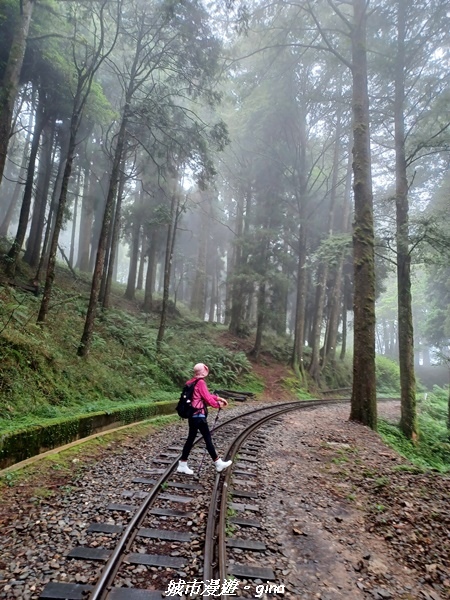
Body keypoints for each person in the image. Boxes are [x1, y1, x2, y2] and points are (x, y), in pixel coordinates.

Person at [177, 363, 232, 475]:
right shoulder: (200, 382)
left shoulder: (191, 382)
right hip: (199, 415)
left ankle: (182, 464)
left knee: (191, 439)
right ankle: (218, 463)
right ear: (204, 371)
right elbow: (207, 398)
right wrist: (218, 404)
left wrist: (218, 398)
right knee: (207, 438)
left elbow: (204, 395)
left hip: (192, 415)